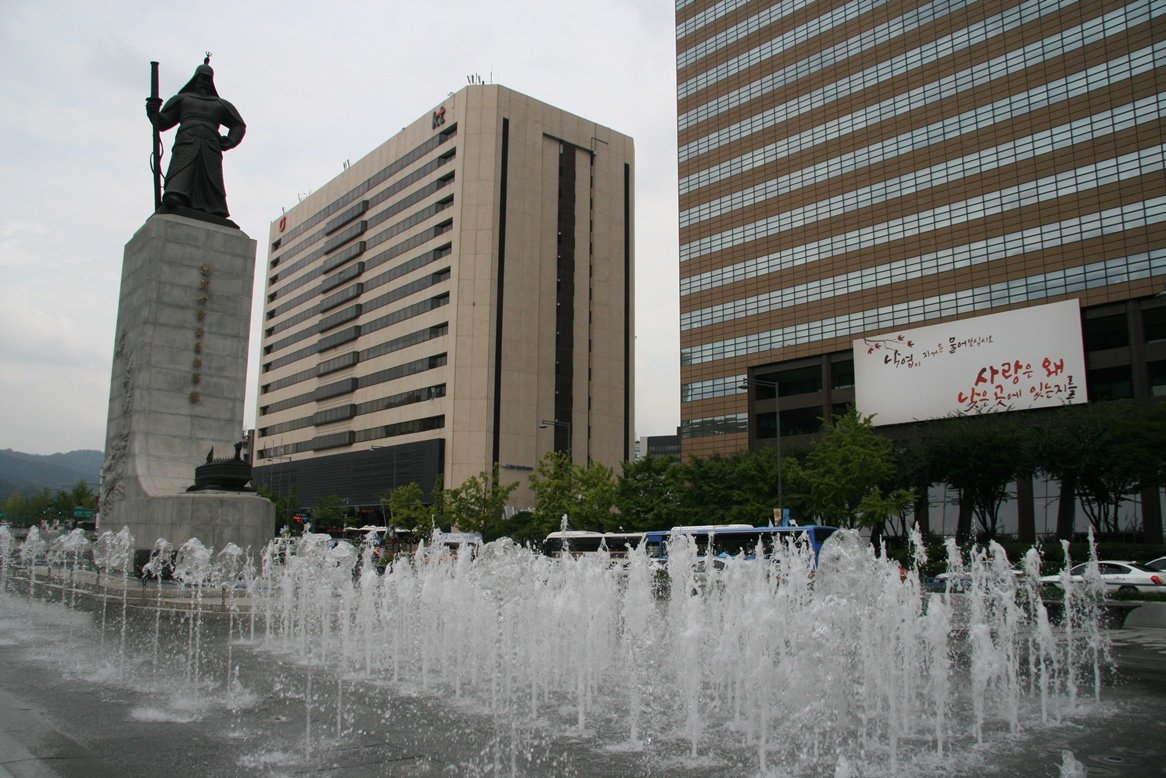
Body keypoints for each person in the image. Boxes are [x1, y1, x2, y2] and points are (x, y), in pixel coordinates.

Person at [146, 57, 246, 219]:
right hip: (187, 139)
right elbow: (163, 123)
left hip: (210, 143)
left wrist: (229, 140)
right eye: (201, 78)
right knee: (182, 167)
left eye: (207, 79)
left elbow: (238, 125)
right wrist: (153, 112)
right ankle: (175, 195)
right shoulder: (183, 99)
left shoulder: (220, 104)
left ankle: (213, 206)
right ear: (195, 78)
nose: (204, 82)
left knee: (211, 177)